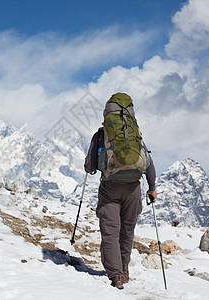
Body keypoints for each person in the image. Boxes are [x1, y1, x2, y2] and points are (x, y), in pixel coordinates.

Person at [84, 92, 157, 289]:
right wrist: (152, 188)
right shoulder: (135, 135)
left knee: (110, 233)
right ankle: (124, 271)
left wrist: (89, 164)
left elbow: (90, 167)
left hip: (110, 189)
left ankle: (115, 276)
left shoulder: (101, 135)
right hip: (133, 188)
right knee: (127, 232)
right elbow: (148, 164)